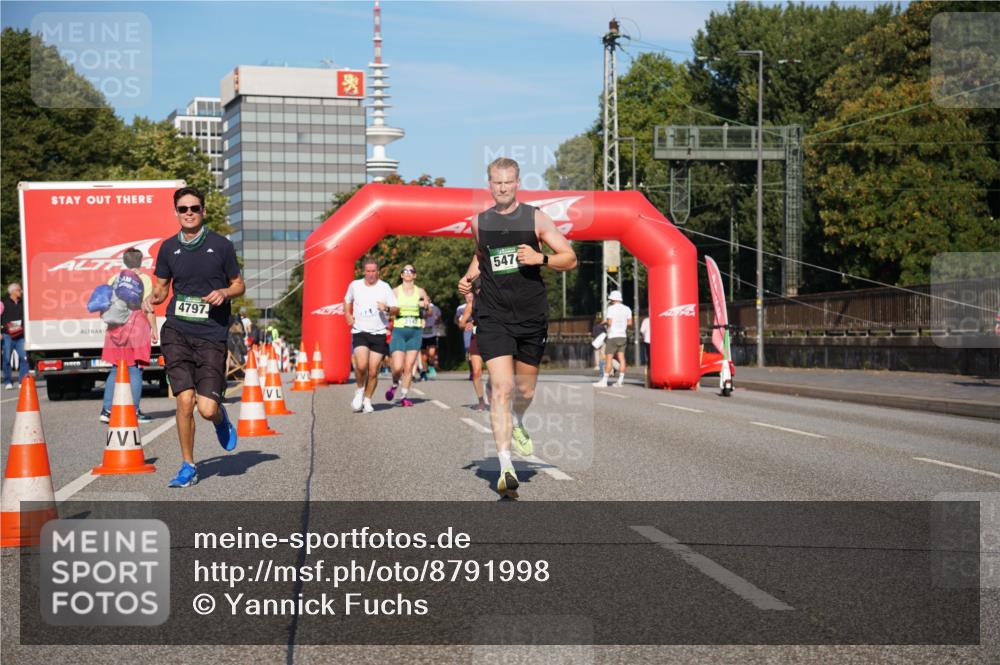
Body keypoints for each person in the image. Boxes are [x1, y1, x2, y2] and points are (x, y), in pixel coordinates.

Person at [458, 157, 577, 493]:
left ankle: (519, 420)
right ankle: (505, 466)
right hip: (492, 316)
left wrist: (542, 259)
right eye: (497, 182)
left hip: (530, 315)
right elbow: (482, 257)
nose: (503, 188)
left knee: (525, 390)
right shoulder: (479, 222)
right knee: (502, 388)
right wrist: (467, 280)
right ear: (489, 184)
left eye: (509, 182)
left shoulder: (536, 218)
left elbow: (569, 257)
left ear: (518, 182)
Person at [148, 186, 244, 488]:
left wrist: (225, 293)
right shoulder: (167, 248)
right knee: (185, 400)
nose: (189, 213)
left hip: (212, 334)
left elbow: (239, 284)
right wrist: (152, 297)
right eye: (183, 209)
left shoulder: (221, 246)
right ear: (175, 212)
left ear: (203, 210)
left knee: (206, 409)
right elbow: (162, 287)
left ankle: (220, 417)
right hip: (177, 329)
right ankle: (188, 465)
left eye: (194, 208)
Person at [99, 248, 158, 423]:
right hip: (136, 326)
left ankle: (107, 410)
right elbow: (147, 307)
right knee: (136, 369)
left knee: (116, 368)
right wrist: (154, 328)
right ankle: (134, 410)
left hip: (115, 327)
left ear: (124, 261)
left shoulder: (114, 278)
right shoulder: (144, 279)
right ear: (140, 261)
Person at [344, 255, 398, 413]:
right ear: (363, 271)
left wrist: (387, 308)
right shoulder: (355, 285)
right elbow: (347, 300)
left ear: (378, 271)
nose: (371, 274)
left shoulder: (385, 287)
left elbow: (396, 309)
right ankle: (360, 390)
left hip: (379, 332)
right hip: (360, 330)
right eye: (368, 271)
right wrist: (347, 314)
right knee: (361, 366)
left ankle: (367, 400)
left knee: (373, 371)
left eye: (374, 271)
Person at [385, 264, 428, 407]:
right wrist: (391, 310)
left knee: (409, 367)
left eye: (411, 271)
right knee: (397, 367)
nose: (408, 273)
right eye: (405, 271)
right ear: (402, 275)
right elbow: (387, 312)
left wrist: (427, 306)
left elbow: (429, 312)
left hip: (415, 332)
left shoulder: (421, 291)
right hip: (399, 331)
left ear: (415, 275)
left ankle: (404, 396)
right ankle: (394, 383)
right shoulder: (395, 292)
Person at [458, 281, 488, 411]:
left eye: (482, 288)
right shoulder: (472, 304)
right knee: (476, 372)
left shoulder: (497, 301)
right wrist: (467, 324)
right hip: (476, 339)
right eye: (478, 289)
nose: (480, 291)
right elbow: (461, 323)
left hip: (494, 339)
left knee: (495, 373)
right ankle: (481, 401)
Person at [593, 290, 632, 388]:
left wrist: (605, 322)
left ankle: (604, 381)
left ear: (613, 299)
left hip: (613, 336)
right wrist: (622, 324)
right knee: (622, 358)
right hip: (622, 336)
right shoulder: (627, 309)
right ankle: (620, 381)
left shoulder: (611, 309)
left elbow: (610, 323)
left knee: (608, 359)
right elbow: (630, 323)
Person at [2, 283, 28, 389]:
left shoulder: (23, 303)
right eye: (19, 290)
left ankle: (22, 381)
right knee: (7, 359)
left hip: (20, 336)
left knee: (24, 358)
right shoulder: (3, 303)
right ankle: (8, 381)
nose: (21, 292)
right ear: (12, 291)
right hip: (7, 335)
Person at [420, 300, 442, 380]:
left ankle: (431, 366)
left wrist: (437, 321)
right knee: (424, 356)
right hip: (422, 334)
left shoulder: (435, 308)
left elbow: (439, 317)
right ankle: (425, 371)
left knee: (432, 353)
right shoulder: (419, 308)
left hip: (432, 333)